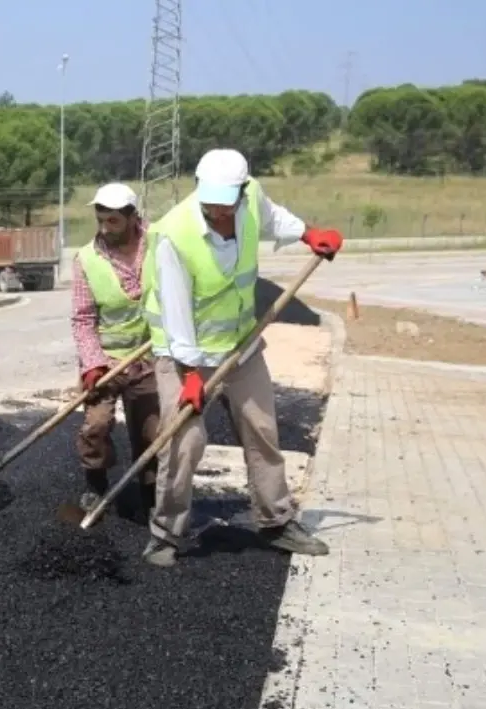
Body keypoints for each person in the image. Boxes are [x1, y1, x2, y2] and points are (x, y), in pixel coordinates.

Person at [140, 148, 343, 567]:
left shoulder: (250, 199)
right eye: (209, 202)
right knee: (184, 443)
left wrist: (309, 233)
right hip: (186, 354)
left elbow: (274, 218)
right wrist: (190, 374)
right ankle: (164, 533)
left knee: (263, 429)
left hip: (240, 345)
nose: (217, 211)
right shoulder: (173, 234)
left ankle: (276, 520)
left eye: (224, 202)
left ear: (241, 190)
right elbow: (177, 314)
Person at [70, 183, 161, 517]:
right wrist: (92, 364)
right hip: (106, 360)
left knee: (153, 432)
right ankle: (95, 485)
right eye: (101, 220)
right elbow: (82, 319)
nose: (106, 228)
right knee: (95, 425)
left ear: (133, 217)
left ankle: (151, 495)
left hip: (149, 356)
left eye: (114, 222)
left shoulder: (158, 244)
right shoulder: (86, 260)